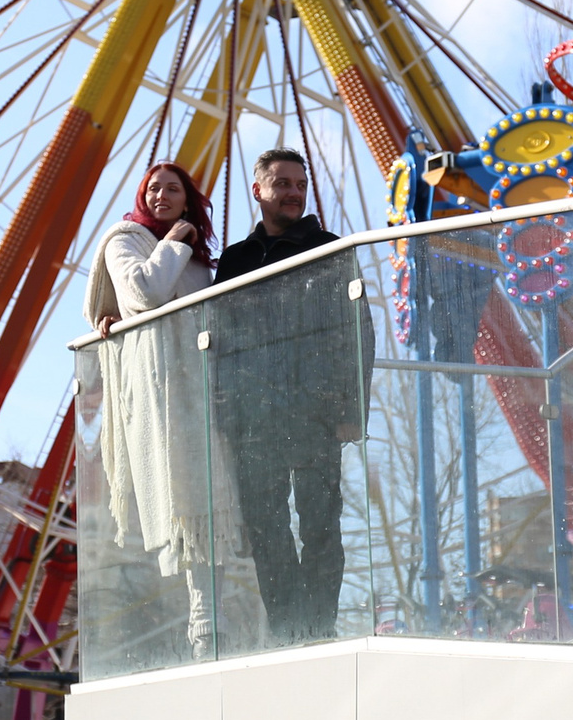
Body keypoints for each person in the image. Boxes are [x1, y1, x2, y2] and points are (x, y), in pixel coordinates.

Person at [212, 148, 371, 641]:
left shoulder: (330, 248)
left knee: (322, 523)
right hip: (254, 416)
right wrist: (222, 410)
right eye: (281, 183)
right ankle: (287, 627)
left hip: (316, 411)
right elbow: (214, 338)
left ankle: (318, 627)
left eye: (299, 184)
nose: (293, 192)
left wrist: (352, 411)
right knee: (265, 526)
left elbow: (358, 329)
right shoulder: (236, 260)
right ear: (258, 190)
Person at [84, 161, 238, 652]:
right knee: (183, 503)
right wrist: (174, 241)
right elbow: (144, 293)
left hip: (203, 391)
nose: (161, 195)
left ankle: (215, 625)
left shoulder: (198, 262)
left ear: (189, 199)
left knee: (211, 508)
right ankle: (199, 632)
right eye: (153, 188)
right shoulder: (124, 239)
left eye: (173, 189)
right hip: (162, 392)